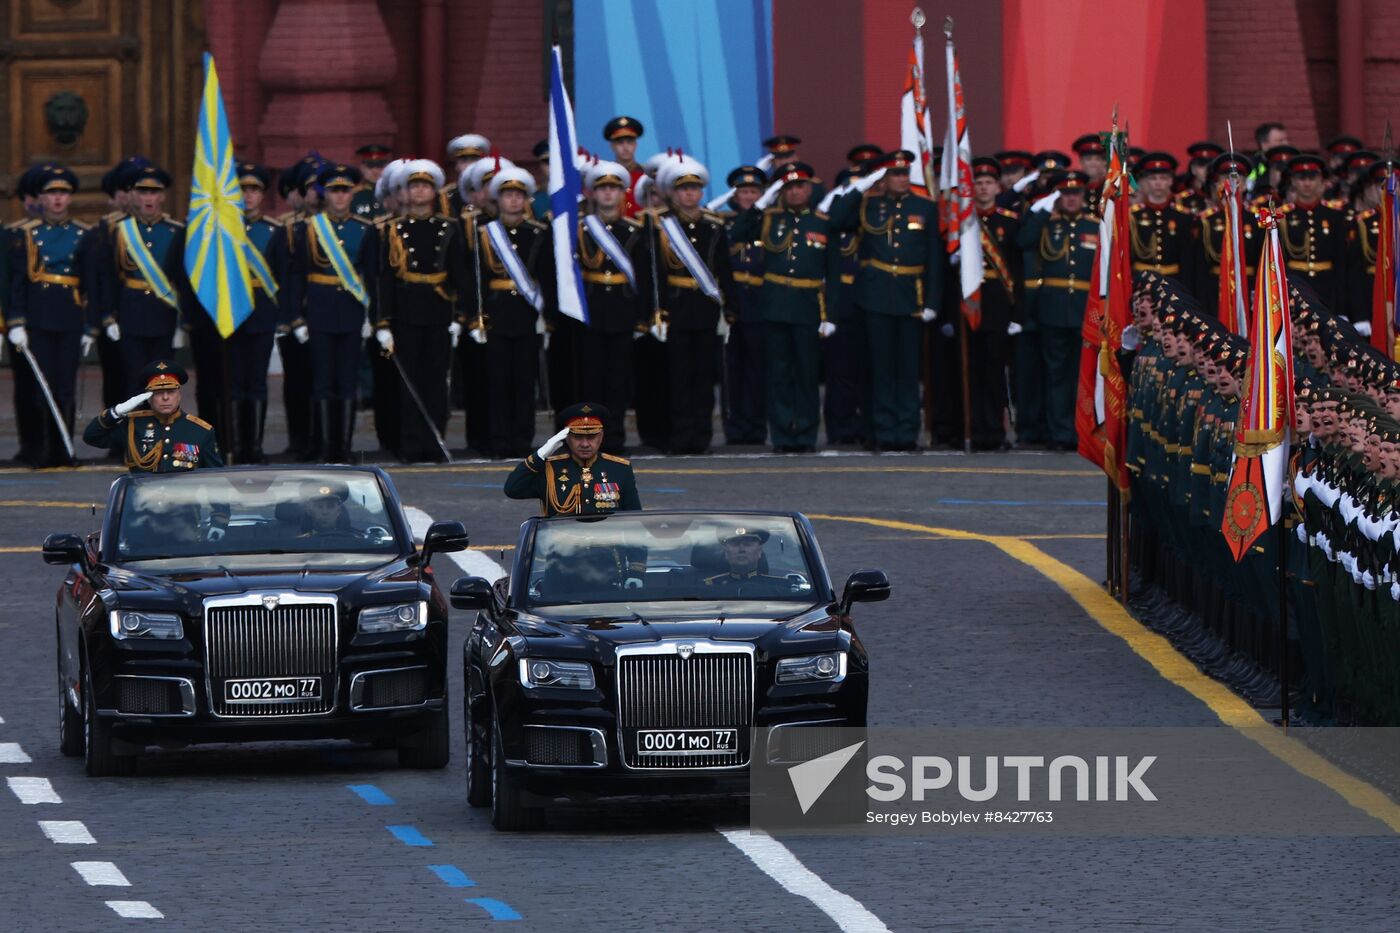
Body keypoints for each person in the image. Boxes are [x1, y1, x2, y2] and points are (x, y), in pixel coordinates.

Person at [827, 150, 943, 451]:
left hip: (910, 296)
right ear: (883, 177)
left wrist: (932, 300)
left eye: (905, 174)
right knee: (879, 369)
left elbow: (933, 257)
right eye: (894, 174)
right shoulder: (868, 205)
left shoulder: (925, 207)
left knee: (907, 370)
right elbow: (836, 221)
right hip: (874, 296)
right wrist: (862, 186)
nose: (901, 179)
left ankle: (906, 432)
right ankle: (881, 431)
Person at [729, 161, 839, 452]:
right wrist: (759, 205)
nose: (795, 192)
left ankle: (805, 433)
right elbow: (737, 233)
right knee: (778, 374)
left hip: (808, 306)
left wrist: (830, 314)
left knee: (806, 373)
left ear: (809, 188)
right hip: (775, 304)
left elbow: (833, 273)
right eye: (788, 187)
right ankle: (781, 434)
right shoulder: (768, 217)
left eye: (800, 186)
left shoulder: (822, 221)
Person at [375, 159, 470, 462]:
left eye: (425, 187)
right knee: (408, 382)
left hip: (439, 310)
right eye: (414, 186)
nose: (419, 192)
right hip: (405, 311)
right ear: (404, 192)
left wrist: (460, 317)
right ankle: (410, 444)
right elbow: (384, 279)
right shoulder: (392, 230)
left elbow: (461, 276)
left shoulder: (449, 228)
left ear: (434, 192)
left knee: (436, 380)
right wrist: (381, 322)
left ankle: (434, 440)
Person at [284, 162, 380, 464]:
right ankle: (326, 446)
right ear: (325, 194)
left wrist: (372, 317)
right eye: (334, 191)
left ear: (352, 194)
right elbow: (296, 275)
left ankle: (345, 446)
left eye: (345, 191)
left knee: (348, 380)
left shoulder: (364, 229)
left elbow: (372, 275)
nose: (340, 197)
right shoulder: (311, 229)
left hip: (351, 312)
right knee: (323, 380)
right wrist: (296, 317)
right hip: (319, 311)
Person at [6, 164, 93, 467]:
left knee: (65, 385)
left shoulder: (83, 234)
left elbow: (91, 281)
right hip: (38, 316)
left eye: (63, 194)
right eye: (51, 194)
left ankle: (64, 448)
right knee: (40, 386)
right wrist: (16, 322)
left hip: (70, 315)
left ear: (70, 199)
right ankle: (42, 449)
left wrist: (90, 326)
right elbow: (17, 281)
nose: (57, 200)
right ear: (40, 199)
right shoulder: (26, 234)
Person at [652, 155, 735, 454]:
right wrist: (656, 312)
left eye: (694, 189)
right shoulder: (662, 225)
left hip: (704, 307)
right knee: (677, 377)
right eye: (683, 189)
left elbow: (724, 269)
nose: (689, 194)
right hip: (675, 308)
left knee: (703, 377)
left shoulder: (714, 226)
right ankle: (679, 435)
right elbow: (657, 272)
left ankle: (701, 436)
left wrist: (731, 307)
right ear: (673, 193)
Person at [471, 166, 555, 458]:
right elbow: (477, 278)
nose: (514, 201)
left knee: (523, 380)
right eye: (508, 195)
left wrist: (548, 315)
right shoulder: (484, 234)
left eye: (519, 195)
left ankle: (522, 438)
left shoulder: (539, 234)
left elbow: (547, 275)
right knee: (496, 381)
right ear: (498, 199)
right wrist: (474, 316)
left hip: (527, 313)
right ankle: (498, 439)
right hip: (495, 313)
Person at [1016, 170, 1099, 450]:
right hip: (1052, 309)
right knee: (1056, 376)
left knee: (1082, 376)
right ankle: (1060, 433)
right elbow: (1023, 242)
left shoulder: (1095, 225)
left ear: (1084, 196)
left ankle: (1081, 432)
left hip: (1085, 310)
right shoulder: (1046, 223)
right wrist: (1040, 213)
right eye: (1065, 194)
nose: (1071, 199)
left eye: (1076, 193)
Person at [94, 164, 191, 393]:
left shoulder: (176, 231)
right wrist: (108, 317)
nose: (149, 198)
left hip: (164, 313)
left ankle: (160, 429)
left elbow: (183, 279)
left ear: (163, 197)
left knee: (164, 382)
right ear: (133, 196)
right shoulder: (118, 230)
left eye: (154, 192)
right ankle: (135, 430)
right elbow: (108, 278)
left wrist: (183, 322)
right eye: (142, 192)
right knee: (133, 381)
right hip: (130, 314)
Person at [577, 161, 649, 453]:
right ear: (593, 193)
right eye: (602, 188)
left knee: (619, 380)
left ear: (623, 194)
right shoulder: (581, 230)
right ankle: (590, 437)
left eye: (613, 189)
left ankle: (616, 437)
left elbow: (644, 275)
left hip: (622, 310)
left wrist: (643, 316)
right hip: (592, 310)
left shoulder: (634, 230)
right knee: (591, 379)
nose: (608, 194)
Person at [227, 163, 291, 464]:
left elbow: (282, 275)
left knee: (257, 381)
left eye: (254, 190)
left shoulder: (273, 231)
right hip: (230, 310)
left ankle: (255, 445)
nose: (248, 196)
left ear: (262, 195)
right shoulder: (224, 230)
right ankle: (237, 445)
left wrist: (282, 316)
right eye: (243, 190)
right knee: (234, 380)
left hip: (262, 312)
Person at [967, 156, 1022, 450]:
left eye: (988, 182)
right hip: (970, 305)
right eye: (978, 182)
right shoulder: (963, 222)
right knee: (972, 372)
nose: (983, 187)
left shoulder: (1009, 222)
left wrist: (1017, 313)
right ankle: (976, 431)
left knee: (995, 373)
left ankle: (996, 432)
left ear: (998, 187)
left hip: (999, 306)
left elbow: (1016, 270)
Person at [83, 360, 223, 471]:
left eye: (171, 392)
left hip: (183, 504)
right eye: (158, 393)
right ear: (149, 398)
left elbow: (215, 479)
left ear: (179, 395)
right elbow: (91, 437)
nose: (166, 398)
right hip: (143, 503)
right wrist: (116, 412)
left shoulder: (200, 431)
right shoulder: (133, 425)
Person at [504, 402, 641, 515]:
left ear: (601, 436)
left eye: (591, 437)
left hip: (606, 545)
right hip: (562, 546)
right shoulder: (550, 469)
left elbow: (634, 518)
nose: (585, 444)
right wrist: (540, 455)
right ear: (566, 438)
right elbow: (513, 489)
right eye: (578, 437)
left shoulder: (620, 469)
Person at [718, 164, 770, 446]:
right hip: (734, 301)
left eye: (754, 191)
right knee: (732, 372)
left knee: (758, 370)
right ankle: (735, 427)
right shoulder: (724, 223)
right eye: (744, 191)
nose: (749, 196)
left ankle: (756, 426)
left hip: (761, 302)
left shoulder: (770, 222)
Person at [1280, 153, 1349, 319]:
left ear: (1321, 181)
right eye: (1302, 178)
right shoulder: (1283, 217)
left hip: (1327, 289)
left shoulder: (1334, 216)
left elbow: (1341, 263)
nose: (1307, 183)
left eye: (1312, 178)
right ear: (1293, 181)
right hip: (1295, 288)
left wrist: (1343, 307)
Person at [701, 527, 791, 596]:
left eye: (748, 544)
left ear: (759, 552)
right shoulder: (707, 588)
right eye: (735, 544)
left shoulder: (780, 588)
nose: (741, 549)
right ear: (726, 553)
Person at [603, 116, 646, 216]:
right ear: (612, 146)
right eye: (620, 143)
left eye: (629, 142)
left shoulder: (645, 175)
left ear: (635, 145)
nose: (625, 147)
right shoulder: (606, 175)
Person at [352, 143, 392, 220]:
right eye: (370, 166)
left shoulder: (394, 193)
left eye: (380, 165)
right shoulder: (353, 195)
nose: (375, 170)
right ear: (362, 168)